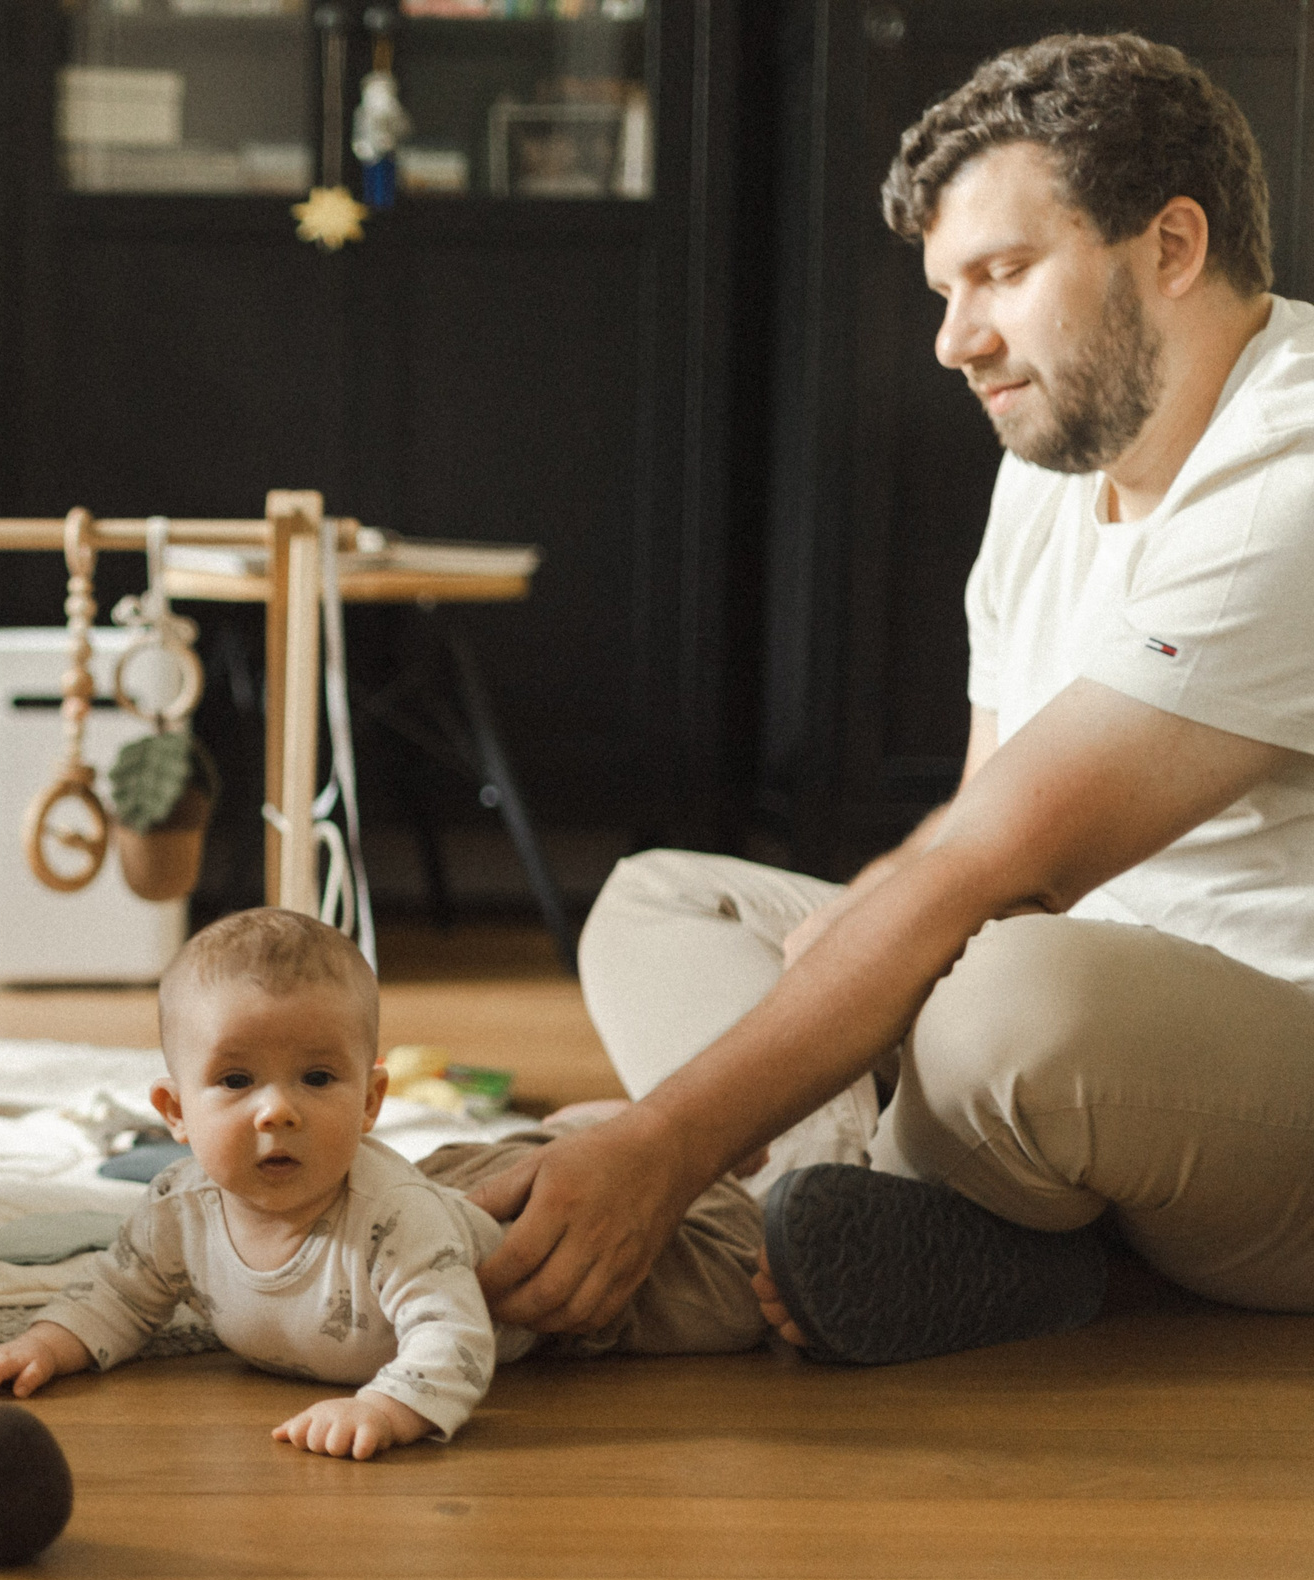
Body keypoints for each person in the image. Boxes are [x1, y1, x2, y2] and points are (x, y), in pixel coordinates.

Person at [467, 33, 1314, 1364]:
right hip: (1054, 979)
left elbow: (997, 867)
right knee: (662, 900)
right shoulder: (1053, 458)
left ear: (1170, 245)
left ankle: (794, 1209)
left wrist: (657, 1140)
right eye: (943, 286)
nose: (953, 338)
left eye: (1002, 273)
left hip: (1263, 1066)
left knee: (1008, 1004)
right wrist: (848, 944)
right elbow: (972, 825)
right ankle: (853, 1219)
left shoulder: (1293, 479)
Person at [0, 908, 769, 1459]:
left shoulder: (392, 1221)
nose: (278, 1111)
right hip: (458, 1199)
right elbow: (119, 1296)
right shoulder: (177, 1210)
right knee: (476, 1175)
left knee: (729, 1294)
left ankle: (752, 1186)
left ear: (371, 1098)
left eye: (316, 1078)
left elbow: (456, 1339)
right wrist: (41, 1345)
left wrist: (386, 1406)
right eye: (234, 1080)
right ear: (174, 1111)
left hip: (555, 1288)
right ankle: (572, 1132)